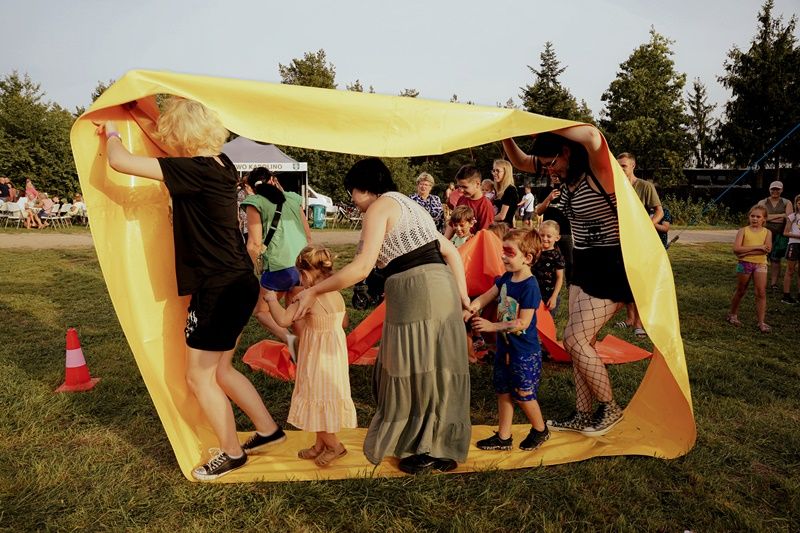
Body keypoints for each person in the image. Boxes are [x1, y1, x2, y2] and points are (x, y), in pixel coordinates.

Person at [97, 97, 284, 481]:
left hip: (218, 288)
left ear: (179, 134)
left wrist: (112, 132)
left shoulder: (193, 169)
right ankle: (268, 431)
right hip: (239, 280)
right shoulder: (222, 164)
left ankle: (232, 453)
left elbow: (120, 161)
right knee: (222, 370)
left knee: (199, 377)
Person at [291, 157, 471, 475]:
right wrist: (463, 296)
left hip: (417, 291)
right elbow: (451, 252)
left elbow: (362, 267)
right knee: (440, 367)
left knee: (414, 368)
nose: (353, 201)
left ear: (364, 188)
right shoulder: (412, 206)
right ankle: (442, 445)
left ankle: (422, 447)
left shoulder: (379, 207)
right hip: (441, 285)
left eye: (352, 192)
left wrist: (314, 291)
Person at [503, 126, 628, 436]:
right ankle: (583, 413)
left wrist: (545, 125)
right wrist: (506, 130)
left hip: (613, 265)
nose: (549, 170)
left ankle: (610, 407)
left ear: (567, 152)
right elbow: (520, 161)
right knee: (583, 342)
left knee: (574, 339)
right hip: (583, 264)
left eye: (552, 163)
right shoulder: (561, 171)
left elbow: (593, 136)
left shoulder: (598, 169)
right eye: (545, 165)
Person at [262, 245, 357, 467]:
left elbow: (284, 320)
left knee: (316, 396)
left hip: (318, 356)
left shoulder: (307, 297)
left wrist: (271, 300)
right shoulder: (336, 293)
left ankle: (334, 446)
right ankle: (319, 445)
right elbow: (344, 322)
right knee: (321, 396)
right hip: (334, 354)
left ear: (304, 274)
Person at [469, 229, 549, 451]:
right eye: (502, 251)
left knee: (523, 394)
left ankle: (540, 430)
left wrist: (491, 326)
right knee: (503, 390)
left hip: (523, 352)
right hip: (504, 349)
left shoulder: (530, 286)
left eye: (509, 253)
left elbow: (522, 323)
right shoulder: (506, 278)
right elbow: (488, 295)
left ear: (528, 257)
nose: (503, 256)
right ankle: (504, 438)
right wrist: (473, 307)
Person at [241, 167, 311, 358]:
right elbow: (307, 234)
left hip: (278, 266)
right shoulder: (293, 198)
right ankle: (304, 354)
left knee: (261, 311)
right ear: (273, 180)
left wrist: (246, 269)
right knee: (295, 311)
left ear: (252, 188)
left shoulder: (255, 202)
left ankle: (290, 340)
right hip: (303, 264)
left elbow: (254, 244)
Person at [615, 153, 663, 338]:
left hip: (639, 241)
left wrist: (647, 226)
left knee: (639, 281)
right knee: (625, 281)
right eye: (618, 165)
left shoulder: (645, 186)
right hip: (620, 240)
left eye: (624, 166)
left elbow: (659, 212)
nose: (620, 169)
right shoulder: (615, 186)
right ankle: (629, 318)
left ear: (633, 166)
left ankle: (639, 323)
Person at [727, 205, 772, 333]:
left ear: (764, 219)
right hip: (744, 264)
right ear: (749, 217)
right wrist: (758, 247)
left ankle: (761, 322)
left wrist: (745, 252)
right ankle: (732, 314)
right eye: (752, 216)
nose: (755, 219)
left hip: (760, 264)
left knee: (761, 292)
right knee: (741, 290)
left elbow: (767, 250)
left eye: (758, 216)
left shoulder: (767, 232)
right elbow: (736, 249)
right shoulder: (743, 231)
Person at [534, 174, 573, 284]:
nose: (555, 177)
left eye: (558, 175)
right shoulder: (545, 190)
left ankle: (570, 284)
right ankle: (545, 282)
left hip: (565, 231)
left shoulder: (569, 189)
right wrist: (549, 198)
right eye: (553, 175)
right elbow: (539, 211)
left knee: (570, 261)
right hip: (547, 233)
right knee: (544, 258)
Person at [758, 181, 794, 291]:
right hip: (764, 234)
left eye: (777, 189)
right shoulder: (763, 202)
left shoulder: (787, 202)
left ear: (781, 190)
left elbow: (789, 218)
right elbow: (760, 217)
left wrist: (769, 217)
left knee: (776, 259)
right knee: (762, 258)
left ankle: (774, 284)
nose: (775, 191)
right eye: (773, 189)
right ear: (769, 189)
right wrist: (781, 215)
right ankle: (761, 282)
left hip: (780, 235)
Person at [444, 165, 493, 239]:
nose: (461, 190)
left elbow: (485, 235)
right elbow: (452, 224)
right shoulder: (462, 199)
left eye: (465, 187)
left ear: (477, 184)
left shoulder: (485, 205)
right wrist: (444, 241)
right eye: (459, 186)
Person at [534, 220, 566, 316]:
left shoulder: (557, 256)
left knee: (547, 319)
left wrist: (554, 297)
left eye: (549, 236)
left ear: (557, 238)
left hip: (549, 295)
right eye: (542, 235)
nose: (545, 238)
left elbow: (559, 278)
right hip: (534, 292)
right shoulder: (535, 252)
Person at [781, 194, 800, 304]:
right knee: (790, 270)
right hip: (794, 245)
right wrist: (798, 236)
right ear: (796, 204)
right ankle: (786, 295)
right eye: (799, 203)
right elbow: (785, 232)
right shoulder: (792, 216)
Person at [492, 159, 519, 227]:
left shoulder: (510, 190)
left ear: (506, 173)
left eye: (498, 171)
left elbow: (502, 216)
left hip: (504, 229)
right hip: (497, 227)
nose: (494, 173)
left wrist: (487, 219)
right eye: (494, 170)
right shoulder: (498, 190)